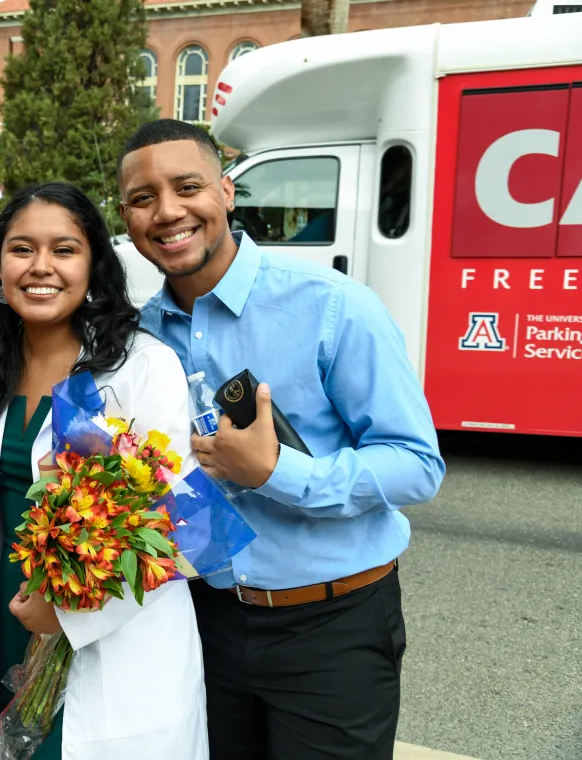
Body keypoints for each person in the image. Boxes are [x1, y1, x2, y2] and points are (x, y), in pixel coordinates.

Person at [117, 119, 445, 760]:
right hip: (199, 620)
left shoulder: (333, 306)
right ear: (127, 215)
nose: (168, 211)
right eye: (142, 198)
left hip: (333, 626)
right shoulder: (139, 337)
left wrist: (274, 473)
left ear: (228, 192)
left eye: (188, 186)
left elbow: (416, 464)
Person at [0, 182, 207, 759]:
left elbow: (186, 527)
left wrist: (64, 610)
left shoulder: (142, 365)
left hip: (116, 645)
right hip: (7, 627)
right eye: (21, 249)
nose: (40, 267)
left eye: (64, 249)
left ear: (95, 264)